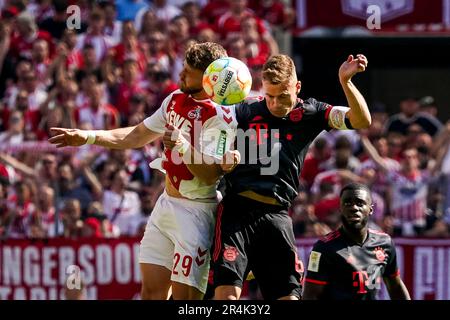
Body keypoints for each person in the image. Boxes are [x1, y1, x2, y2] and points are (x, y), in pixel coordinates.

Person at [48, 42, 237, 300]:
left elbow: (209, 175)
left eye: (187, 72)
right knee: (150, 294)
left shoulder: (221, 118)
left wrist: (181, 146)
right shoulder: (174, 100)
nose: (180, 75)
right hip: (166, 206)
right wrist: (88, 136)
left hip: (196, 213)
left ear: (208, 79)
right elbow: (138, 134)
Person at [212, 53, 372, 300]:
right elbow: (213, 135)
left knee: (289, 297)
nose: (275, 104)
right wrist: (223, 155)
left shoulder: (311, 112)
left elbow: (361, 120)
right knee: (227, 297)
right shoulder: (245, 110)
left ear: (297, 87)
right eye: (270, 96)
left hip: (277, 215)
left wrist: (346, 82)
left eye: (283, 96)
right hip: (237, 212)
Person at [302, 183, 411, 300]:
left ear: (370, 209)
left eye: (360, 203)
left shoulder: (385, 243)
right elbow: (310, 295)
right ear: (340, 209)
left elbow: (395, 286)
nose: (354, 208)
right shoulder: (324, 248)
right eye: (347, 203)